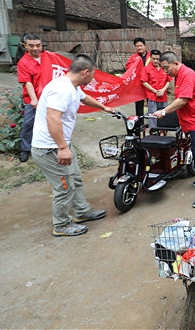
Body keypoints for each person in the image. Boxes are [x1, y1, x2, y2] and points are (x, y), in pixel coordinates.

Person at [31, 55, 114, 237]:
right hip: (50, 149)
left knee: (75, 177)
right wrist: (62, 148)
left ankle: (81, 211)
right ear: (85, 72)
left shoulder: (72, 86)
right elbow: (52, 118)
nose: (92, 79)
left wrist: (104, 107)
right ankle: (61, 225)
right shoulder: (61, 89)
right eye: (92, 75)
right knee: (64, 187)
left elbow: (84, 98)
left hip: (61, 144)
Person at [152, 51, 195, 209]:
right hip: (191, 121)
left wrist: (164, 112)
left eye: (166, 68)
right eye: (163, 69)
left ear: (176, 63)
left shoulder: (186, 74)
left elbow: (182, 100)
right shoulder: (178, 76)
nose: (166, 72)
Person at [16, 33, 56, 163]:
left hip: (51, 97)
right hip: (33, 99)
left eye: (38, 45)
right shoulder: (23, 63)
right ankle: (25, 149)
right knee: (28, 123)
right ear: (25, 46)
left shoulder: (49, 57)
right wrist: (34, 100)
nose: (35, 48)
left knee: (52, 121)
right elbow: (27, 82)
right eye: (31, 46)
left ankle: (50, 145)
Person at [141, 49, 173, 129]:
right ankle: (153, 132)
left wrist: (163, 90)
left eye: (157, 59)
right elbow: (144, 82)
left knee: (163, 115)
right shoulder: (147, 69)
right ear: (150, 58)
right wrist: (155, 91)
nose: (155, 61)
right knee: (153, 116)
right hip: (152, 97)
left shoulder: (164, 68)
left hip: (163, 97)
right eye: (153, 59)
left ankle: (163, 132)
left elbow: (168, 80)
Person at [125, 37, 151, 118]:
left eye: (141, 45)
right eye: (137, 46)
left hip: (150, 83)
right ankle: (140, 122)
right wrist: (135, 63)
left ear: (145, 46)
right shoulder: (133, 57)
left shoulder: (151, 56)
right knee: (139, 104)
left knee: (151, 102)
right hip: (138, 84)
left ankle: (152, 121)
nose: (139, 48)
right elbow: (128, 68)